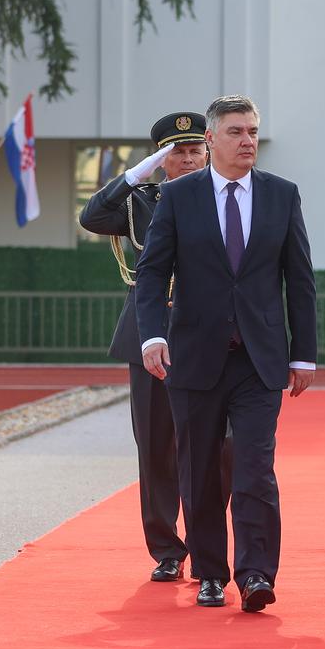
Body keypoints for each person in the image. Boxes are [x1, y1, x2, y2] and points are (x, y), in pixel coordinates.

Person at [136, 95, 318, 612]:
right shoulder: (180, 197)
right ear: (211, 139)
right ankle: (211, 571)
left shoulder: (282, 195)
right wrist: (153, 335)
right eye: (237, 132)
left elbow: (299, 279)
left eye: (254, 132)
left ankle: (257, 573)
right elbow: (152, 273)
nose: (248, 141)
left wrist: (303, 354)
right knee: (197, 471)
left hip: (259, 360)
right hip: (194, 358)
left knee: (255, 469)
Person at [79, 112, 222, 583]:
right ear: (161, 162)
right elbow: (93, 216)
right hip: (150, 326)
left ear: (207, 151)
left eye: (192, 151)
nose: (185, 160)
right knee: (156, 442)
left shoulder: (224, 197)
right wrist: (135, 174)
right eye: (174, 154)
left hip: (208, 330)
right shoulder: (143, 201)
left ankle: (207, 541)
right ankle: (165, 547)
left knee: (217, 444)